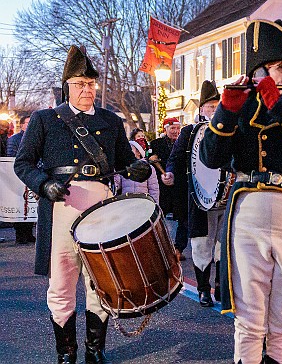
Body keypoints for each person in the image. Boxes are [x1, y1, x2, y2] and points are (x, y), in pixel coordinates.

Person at [200, 19, 282, 363]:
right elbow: (211, 157)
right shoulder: (238, 107)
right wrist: (226, 111)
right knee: (249, 315)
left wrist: (278, 101)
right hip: (249, 207)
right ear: (262, 70)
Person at [14, 45, 151, 364]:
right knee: (61, 283)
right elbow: (24, 164)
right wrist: (43, 184)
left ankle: (94, 350)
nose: (87, 89)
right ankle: (66, 353)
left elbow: (125, 161)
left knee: (100, 282)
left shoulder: (111, 121)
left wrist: (138, 167)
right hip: (61, 207)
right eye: (80, 84)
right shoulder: (44, 119)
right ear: (67, 87)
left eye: (91, 84)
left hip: (102, 210)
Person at [162, 80, 226, 306]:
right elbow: (175, 159)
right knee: (201, 245)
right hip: (201, 198)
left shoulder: (229, 130)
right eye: (210, 107)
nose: (215, 110)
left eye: (218, 106)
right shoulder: (190, 132)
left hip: (225, 198)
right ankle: (203, 289)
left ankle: (220, 285)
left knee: (223, 244)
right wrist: (169, 173)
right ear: (201, 110)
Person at [150, 117, 183, 254]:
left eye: (177, 128)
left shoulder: (183, 143)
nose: (175, 131)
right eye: (172, 128)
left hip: (179, 185)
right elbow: (150, 157)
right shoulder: (156, 143)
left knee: (181, 217)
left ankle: (178, 248)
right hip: (161, 186)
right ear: (166, 129)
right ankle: (163, 248)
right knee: (161, 216)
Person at [7, 114, 36, 244]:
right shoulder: (14, 139)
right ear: (22, 125)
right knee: (19, 203)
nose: (30, 125)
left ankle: (29, 233)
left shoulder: (37, 137)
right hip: (18, 176)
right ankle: (20, 234)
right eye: (28, 123)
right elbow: (10, 157)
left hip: (33, 174)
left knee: (30, 204)